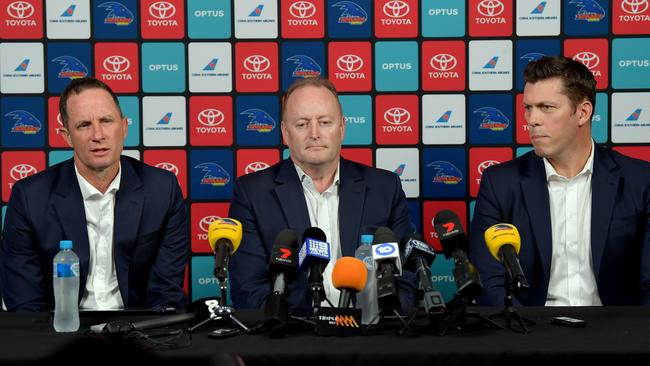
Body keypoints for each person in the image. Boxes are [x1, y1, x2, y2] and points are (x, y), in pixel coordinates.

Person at [469, 56, 650, 306]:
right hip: (530, 335)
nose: (532, 120)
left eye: (547, 107)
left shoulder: (640, 180)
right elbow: (490, 282)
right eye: (528, 108)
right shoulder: (499, 183)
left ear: (583, 112)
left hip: (617, 335)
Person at [228, 77, 415, 314]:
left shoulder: (384, 188)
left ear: (342, 128)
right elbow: (248, 288)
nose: (314, 133)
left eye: (325, 122)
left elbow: (405, 279)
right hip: (292, 338)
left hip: (371, 335)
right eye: (302, 124)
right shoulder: (253, 193)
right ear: (285, 133)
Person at [0, 77, 188, 312]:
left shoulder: (162, 189)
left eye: (106, 121)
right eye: (84, 125)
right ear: (66, 136)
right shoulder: (29, 197)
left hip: (141, 331)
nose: (98, 135)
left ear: (125, 127)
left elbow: (166, 295)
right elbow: (25, 304)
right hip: (59, 334)